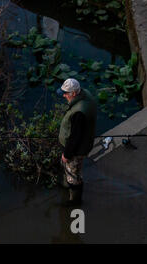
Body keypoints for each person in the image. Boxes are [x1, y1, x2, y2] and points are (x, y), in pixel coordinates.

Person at [57, 78, 97, 206]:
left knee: (74, 177)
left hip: (76, 150)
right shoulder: (86, 94)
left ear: (73, 94)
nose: (63, 95)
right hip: (85, 142)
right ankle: (67, 186)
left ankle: (75, 201)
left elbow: (75, 138)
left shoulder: (78, 113)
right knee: (72, 172)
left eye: (66, 93)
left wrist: (66, 155)